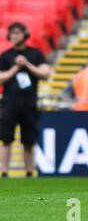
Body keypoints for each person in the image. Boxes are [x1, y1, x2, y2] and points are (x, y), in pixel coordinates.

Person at [0, 22, 51, 178]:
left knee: (29, 139)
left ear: (25, 34)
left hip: (29, 103)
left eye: (17, 33)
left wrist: (27, 64)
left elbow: (45, 73)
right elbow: (1, 78)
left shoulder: (35, 54)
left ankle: (29, 171)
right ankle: (4, 171)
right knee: (6, 138)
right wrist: (16, 67)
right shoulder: (6, 56)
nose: (15, 36)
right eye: (12, 33)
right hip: (9, 104)